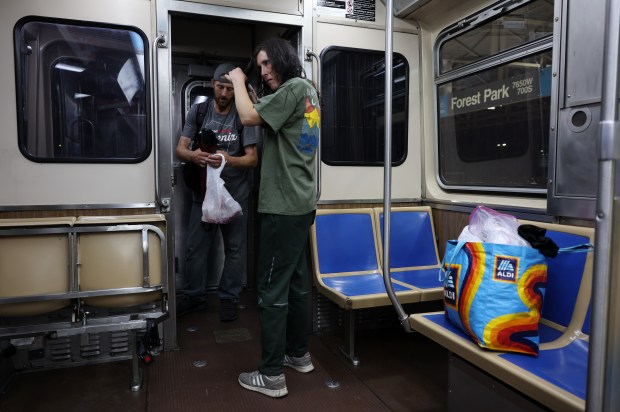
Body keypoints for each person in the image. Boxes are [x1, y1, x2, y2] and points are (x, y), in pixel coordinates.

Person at [226, 38, 320, 398]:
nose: (263, 73)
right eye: (258, 67)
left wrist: (237, 79)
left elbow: (249, 116)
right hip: (301, 202)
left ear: (283, 59)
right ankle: (298, 354)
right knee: (296, 283)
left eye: (267, 64)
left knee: (270, 288)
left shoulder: (294, 87)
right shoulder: (308, 92)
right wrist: (251, 90)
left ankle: (270, 375)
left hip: (283, 206)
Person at [176, 62, 258, 321]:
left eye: (230, 89)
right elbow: (180, 148)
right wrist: (194, 156)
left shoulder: (243, 116)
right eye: (220, 88)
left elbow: (252, 159)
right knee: (195, 248)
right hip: (204, 195)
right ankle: (194, 296)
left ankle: (229, 298)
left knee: (234, 249)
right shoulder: (198, 111)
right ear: (212, 85)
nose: (224, 94)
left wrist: (227, 159)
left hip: (235, 195)